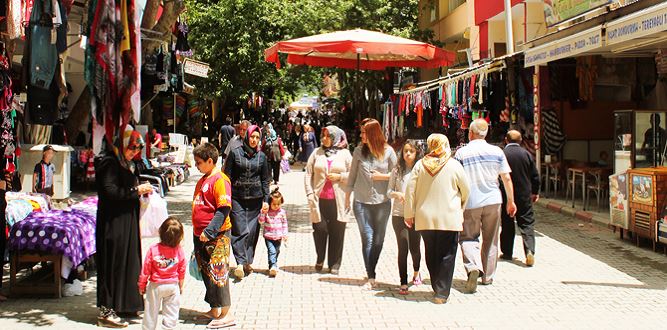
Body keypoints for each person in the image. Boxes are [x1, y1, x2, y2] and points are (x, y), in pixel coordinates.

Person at [96, 129, 154, 327]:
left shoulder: (127, 163)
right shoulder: (109, 162)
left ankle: (125, 305)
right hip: (113, 222)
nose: (134, 151)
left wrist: (140, 191)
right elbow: (110, 191)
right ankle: (107, 310)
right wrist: (135, 190)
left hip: (127, 220)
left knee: (127, 261)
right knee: (112, 262)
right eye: (132, 147)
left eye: (138, 148)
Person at [405, 134, 470, 304]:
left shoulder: (420, 165)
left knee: (431, 252)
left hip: (425, 218)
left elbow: (410, 191)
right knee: (447, 254)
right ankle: (441, 292)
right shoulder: (454, 165)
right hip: (449, 217)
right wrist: (460, 208)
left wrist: (409, 214)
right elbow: (466, 190)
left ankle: (436, 286)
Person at [453, 119, 517, 293]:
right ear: (486, 134)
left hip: (471, 201)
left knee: (468, 237)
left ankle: (473, 267)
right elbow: (506, 178)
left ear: (470, 133)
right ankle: (488, 277)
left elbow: (456, 179)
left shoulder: (461, 153)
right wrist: (510, 201)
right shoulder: (497, 151)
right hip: (493, 200)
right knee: (491, 239)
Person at [345, 118, 397, 290]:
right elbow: (352, 175)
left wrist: (382, 177)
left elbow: (399, 174)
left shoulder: (389, 152)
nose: (361, 136)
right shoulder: (359, 151)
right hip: (361, 201)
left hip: (383, 202)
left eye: (364, 133)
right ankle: (371, 276)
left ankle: (371, 269)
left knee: (379, 240)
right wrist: (347, 197)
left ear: (373, 134)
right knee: (367, 238)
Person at [192, 143, 236, 328]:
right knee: (207, 274)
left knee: (219, 273)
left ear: (210, 161)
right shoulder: (203, 179)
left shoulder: (220, 180)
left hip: (217, 236)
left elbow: (223, 208)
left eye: (199, 162)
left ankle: (227, 313)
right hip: (200, 235)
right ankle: (214, 309)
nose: (196, 165)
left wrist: (209, 231)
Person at [224, 125, 270, 280]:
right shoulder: (235, 153)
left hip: (256, 200)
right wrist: (225, 198)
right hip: (237, 198)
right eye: (252, 136)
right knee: (239, 229)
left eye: (257, 137)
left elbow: (265, 180)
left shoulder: (262, 157)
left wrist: (266, 200)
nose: (254, 140)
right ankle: (239, 263)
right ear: (246, 136)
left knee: (252, 232)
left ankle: (248, 261)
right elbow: (227, 177)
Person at [304, 125, 352, 274]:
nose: (324, 139)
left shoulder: (345, 154)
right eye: (322, 135)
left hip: (339, 200)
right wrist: (310, 193)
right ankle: (320, 257)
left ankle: (335, 263)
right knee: (319, 229)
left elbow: (354, 175)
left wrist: (340, 177)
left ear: (335, 138)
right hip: (319, 200)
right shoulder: (316, 153)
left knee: (337, 232)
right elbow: (308, 174)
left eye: (327, 136)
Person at [387, 141, 424, 295]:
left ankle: (416, 271)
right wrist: (396, 194)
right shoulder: (397, 170)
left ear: (417, 153)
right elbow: (388, 191)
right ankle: (403, 282)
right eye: (405, 151)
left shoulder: (421, 170)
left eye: (411, 151)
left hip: (415, 215)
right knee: (403, 247)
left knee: (415, 248)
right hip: (398, 214)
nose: (408, 154)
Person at [500, 130, 540, 267]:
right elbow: (535, 175)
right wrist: (535, 192)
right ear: (521, 140)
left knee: (507, 222)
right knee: (527, 222)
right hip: (524, 194)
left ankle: (507, 252)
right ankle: (529, 251)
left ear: (506, 140)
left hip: (506, 194)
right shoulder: (526, 154)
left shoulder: (502, 154)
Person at [139, 217, 186, 330]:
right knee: (171, 314)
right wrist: (181, 284)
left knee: (150, 313)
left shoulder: (153, 249)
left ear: (160, 232)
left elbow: (146, 269)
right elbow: (182, 268)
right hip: (172, 285)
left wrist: (142, 285)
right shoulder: (179, 250)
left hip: (155, 286)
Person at [258, 188, 288, 277]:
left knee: (277, 251)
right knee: (272, 251)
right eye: (274, 204)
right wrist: (263, 212)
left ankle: (271, 265)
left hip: (279, 236)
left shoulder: (282, 212)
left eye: (278, 204)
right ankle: (273, 266)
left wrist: (285, 234)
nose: (276, 206)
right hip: (268, 236)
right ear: (270, 203)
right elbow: (261, 221)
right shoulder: (267, 212)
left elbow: (284, 223)